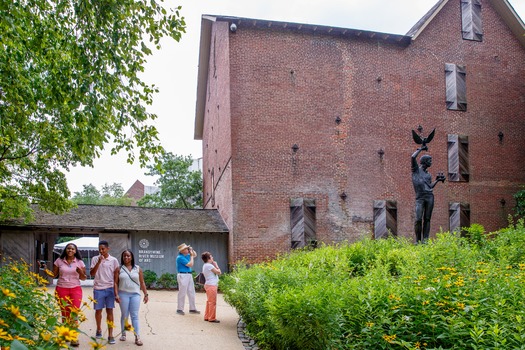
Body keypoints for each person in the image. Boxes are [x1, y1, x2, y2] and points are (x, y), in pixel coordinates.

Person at [53, 242, 87, 347]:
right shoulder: (59, 261)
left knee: (74, 313)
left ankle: (73, 337)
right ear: (65, 250)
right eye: (68, 248)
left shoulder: (80, 262)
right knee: (64, 313)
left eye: (72, 249)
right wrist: (43, 269)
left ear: (75, 251)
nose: (70, 250)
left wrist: (80, 272)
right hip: (61, 289)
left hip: (75, 289)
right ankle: (65, 335)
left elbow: (84, 278)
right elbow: (53, 274)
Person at [114, 249, 148, 346]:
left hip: (135, 294)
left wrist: (146, 294)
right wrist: (116, 294)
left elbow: (142, 282)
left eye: (128, 256)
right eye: (124, 256)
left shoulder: (137, 268)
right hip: (123, 294)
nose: (126, 257)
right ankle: (123, 333)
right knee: (124, 315)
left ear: (132, 257)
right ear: (122, 257)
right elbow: (115, 283)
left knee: (135, 316)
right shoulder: (119, 269)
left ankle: (137, 336)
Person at [411, 146, 445, 243]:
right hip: (420, 198)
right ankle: (417, 240)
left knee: (427, 219)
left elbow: (430, 186)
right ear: (424, 161)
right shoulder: (416, 170)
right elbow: (413, 157)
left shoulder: (428, 175)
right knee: (418, 219)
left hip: (429, 196)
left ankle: (425, 240)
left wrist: (437, 180)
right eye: (430, 160)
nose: (431, 162)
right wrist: (420, 149)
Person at [90, 240, 120, 344]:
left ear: (108, 249)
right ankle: (99, 329)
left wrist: (116, 292)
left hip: (110, 288)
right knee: (98, 311)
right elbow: (92, 274)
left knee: (110, 311)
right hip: (98, 288)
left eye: (103, 249)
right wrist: (99, 262)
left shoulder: (114, 260)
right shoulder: (95, 259)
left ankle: (110, 334)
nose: (101, 251)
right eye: (99, 249)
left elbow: (116, 276)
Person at [176, 243, 200, 315]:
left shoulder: (187, 255)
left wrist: (191, 250)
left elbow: (195, 254)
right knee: (182, 292)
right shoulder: (180, 257)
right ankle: (179, 309)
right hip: (182, 275)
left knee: (191, 292)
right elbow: (190, 264)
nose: (187, 250)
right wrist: (191, 256)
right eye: (186, 249)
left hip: (188, 275)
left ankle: (192, 308)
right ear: (182, 250)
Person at [201, 251, 221, 323]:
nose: (212, 257)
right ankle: (211, 318)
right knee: (212, 302)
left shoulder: (205, 265)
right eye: (211, 256)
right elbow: (219, 272)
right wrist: (216, 265)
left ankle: (207, 316)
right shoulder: (210, 266)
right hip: (212, 285)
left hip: (208, 284)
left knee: (209, 301)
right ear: (208, 258)